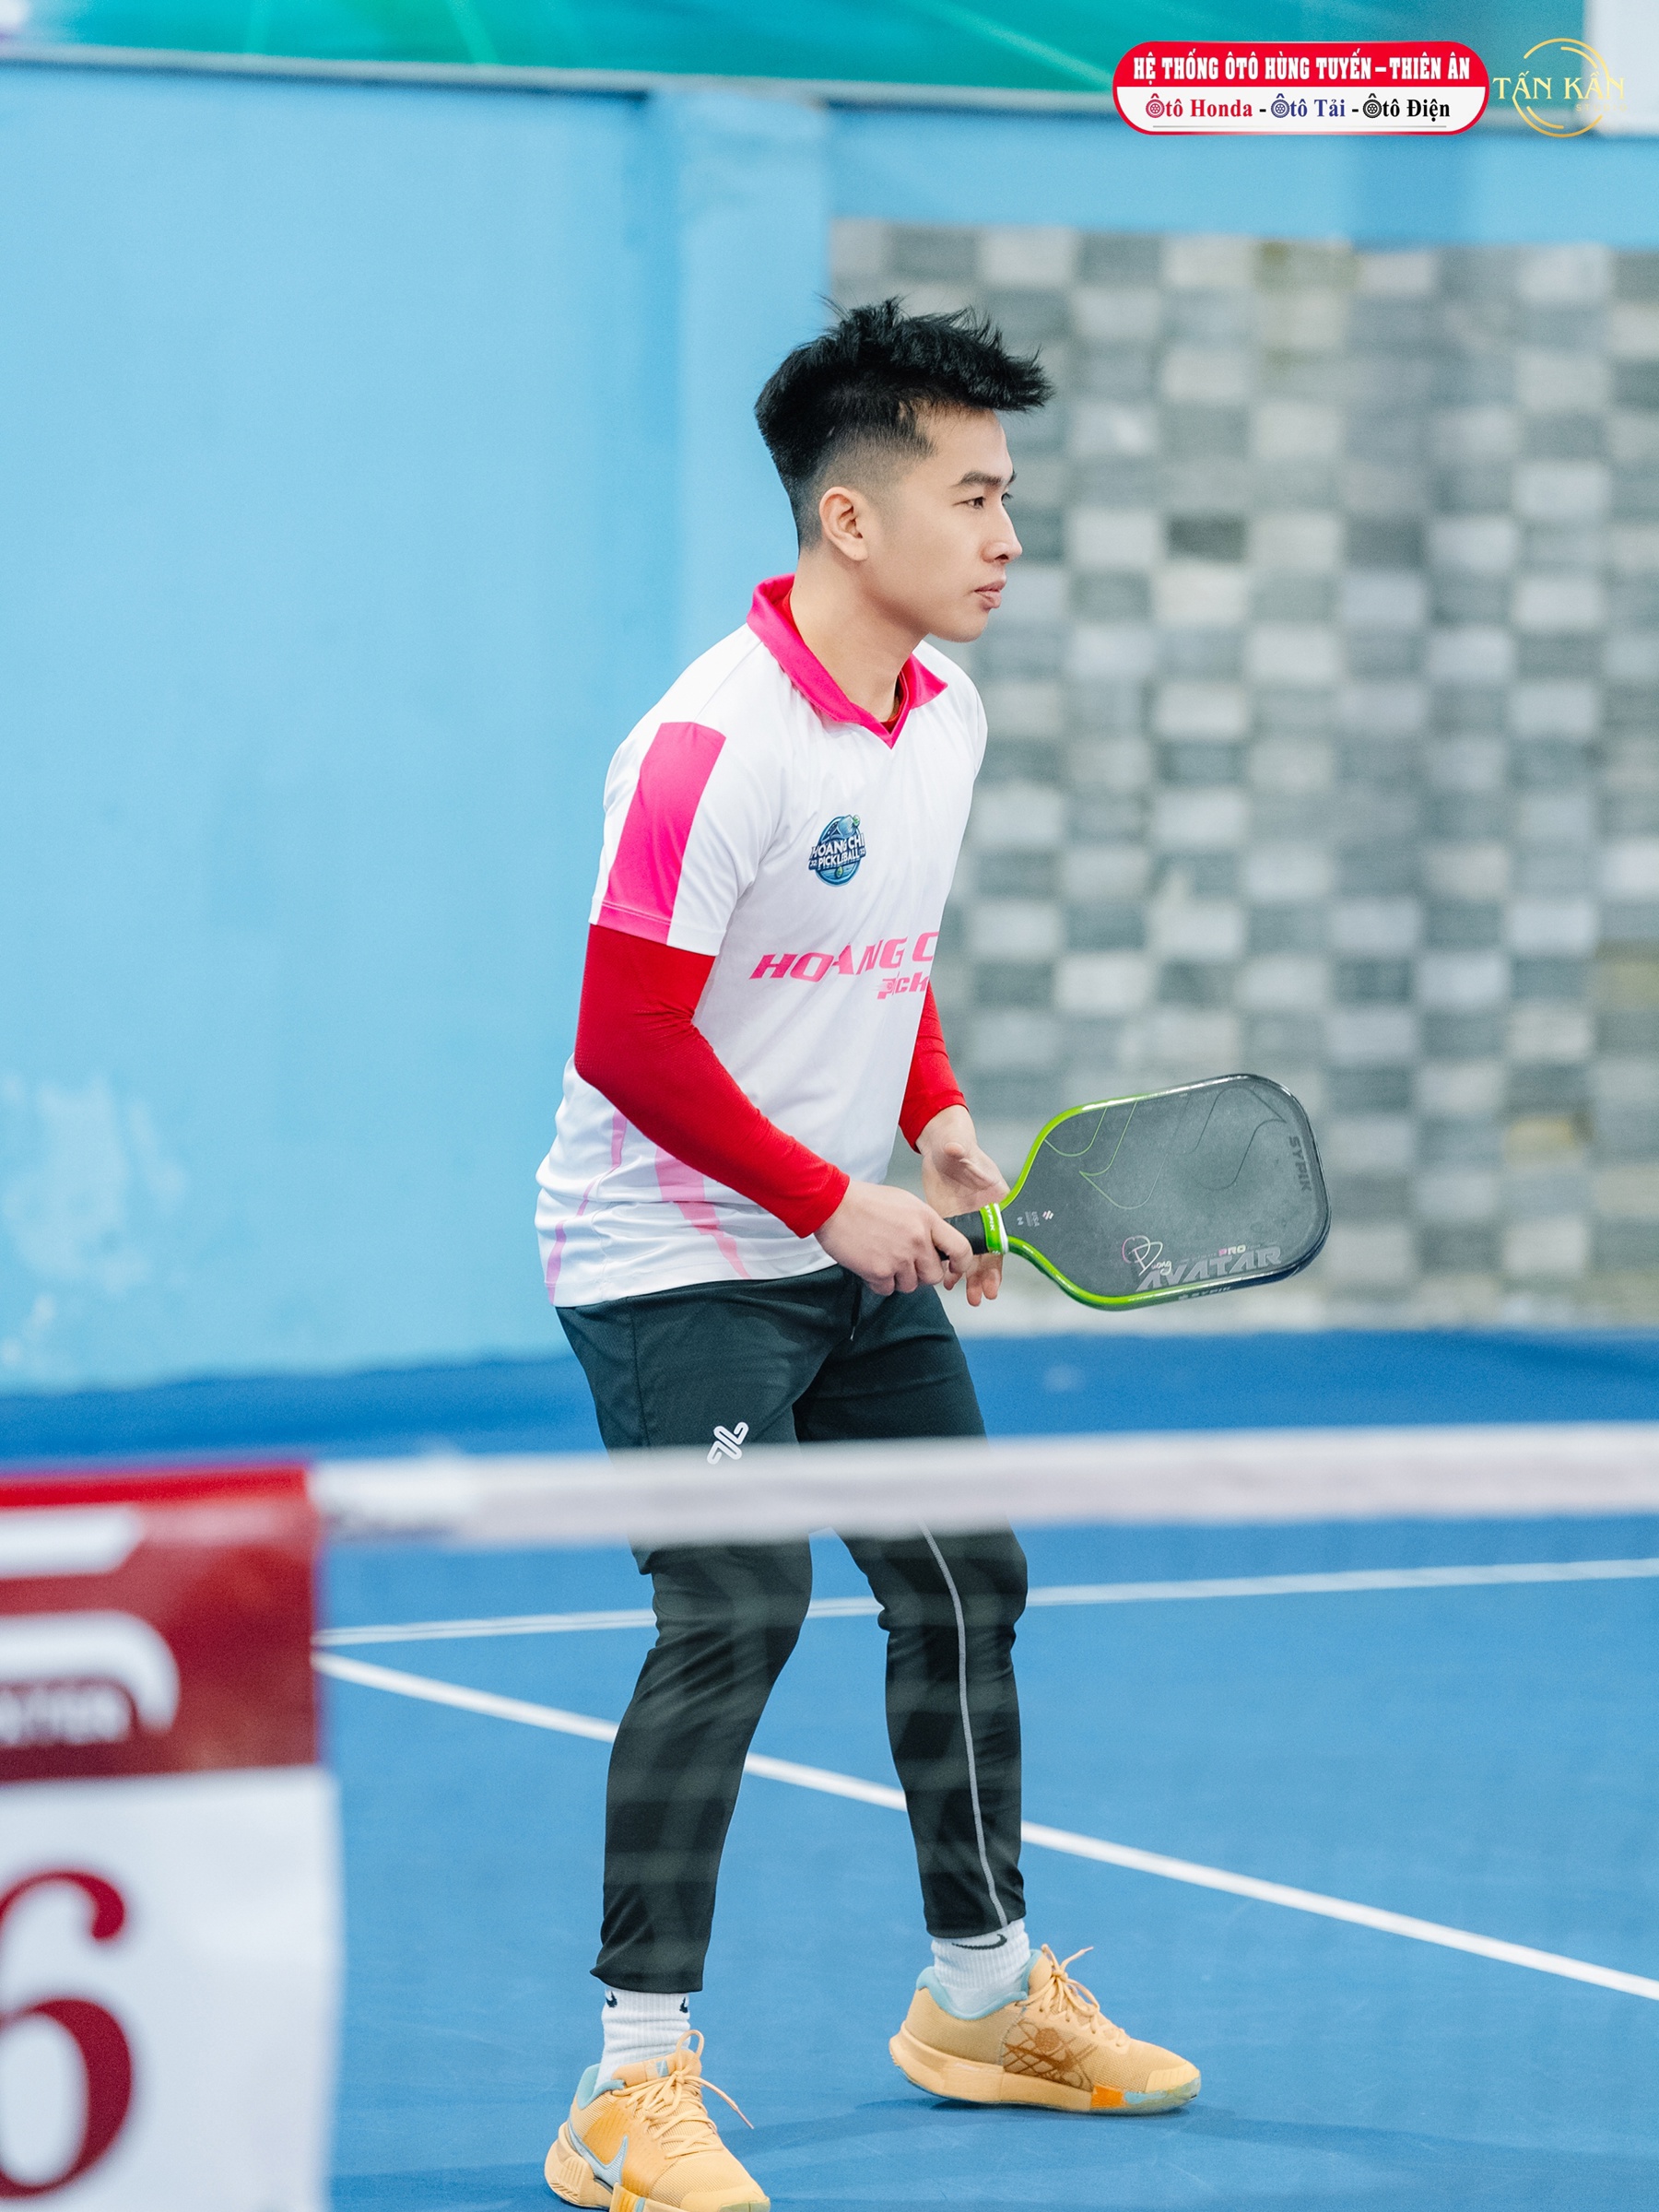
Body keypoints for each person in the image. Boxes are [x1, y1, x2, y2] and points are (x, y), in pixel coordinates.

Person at [535, 300, 1199, 2212]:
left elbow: (877, 960)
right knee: (736, 1614)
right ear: (849, 516)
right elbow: (630, 1037)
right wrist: (828, 1202)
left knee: (964, 1580)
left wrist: (937, 1118)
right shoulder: (709, 745)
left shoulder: (943, 713)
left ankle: (980, 2001)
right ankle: (627, 2087)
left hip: (847, 1242)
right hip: (673, 1260)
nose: (1008, 537)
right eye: (973, 497)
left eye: (1008, 495)